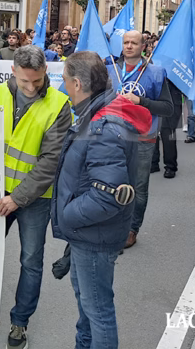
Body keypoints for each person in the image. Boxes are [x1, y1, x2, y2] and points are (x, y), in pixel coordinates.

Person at [0, 45, 72, 349]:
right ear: (13, 73)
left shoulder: (60, 105)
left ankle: (20, 322)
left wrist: (17, 198)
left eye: (36, 80)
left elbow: (50, 163)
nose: (31, 87)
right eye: (24, 82)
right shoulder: (1, 93)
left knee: (31, 262)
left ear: (46, 71)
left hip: (34, 197)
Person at [52, 51, 151, 349]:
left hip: (93, 235)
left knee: (97, 312)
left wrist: (67, 215)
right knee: (88, 308)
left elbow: (107, 197)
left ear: (79, 84)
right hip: (90, 232)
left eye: (66, 81)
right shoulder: (98, 114)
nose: (64, 87)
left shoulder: (103, 127)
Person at [108, 30, 173, 249]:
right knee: (110, 180)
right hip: (112, 136)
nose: (128, 46)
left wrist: (140, 100)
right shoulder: (110, 70)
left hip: (143, 138)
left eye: (133, 43)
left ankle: (132, 228)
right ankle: (114, 223)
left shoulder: (154, 72)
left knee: (138, 186)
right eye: (125, 42)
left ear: (143, 46)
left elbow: (167, 108)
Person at [151, 81, 183, 178]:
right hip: (157, 100)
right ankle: (153, 162)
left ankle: (170, 166)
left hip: (173, 99)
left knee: (168, 133)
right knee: (153, 131)